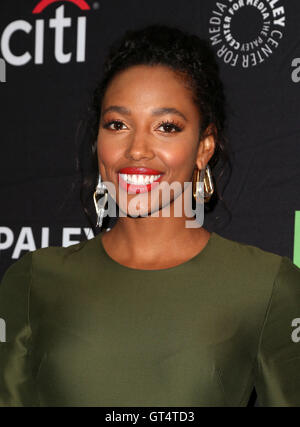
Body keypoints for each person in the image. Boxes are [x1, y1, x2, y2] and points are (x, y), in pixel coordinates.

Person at [0, 24, 300, 407]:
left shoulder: (269, 287)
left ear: (204, 147)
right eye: (117, 124)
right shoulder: (31, 281)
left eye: (166, 127)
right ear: (98, 140)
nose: (137, 149)